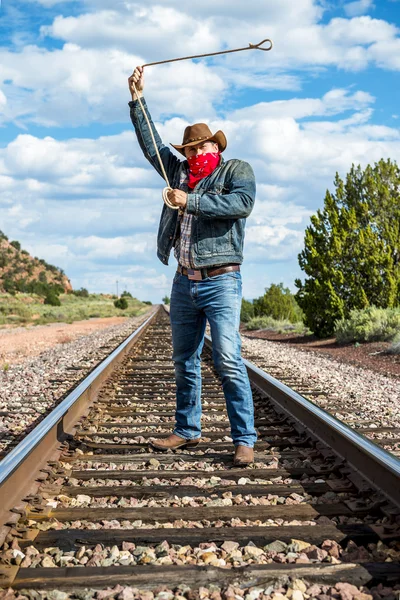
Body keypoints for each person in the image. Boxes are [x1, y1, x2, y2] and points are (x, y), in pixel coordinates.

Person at [128, 66, 257, 465]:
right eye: (190, 149)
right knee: (184, 359)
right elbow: (152, 147)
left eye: (202, 147)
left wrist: (191, 202)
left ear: (214, 148)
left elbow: (242, 205)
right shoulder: (177, 172)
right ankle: (187, 430)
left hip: (221, 281)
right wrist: (137, 100)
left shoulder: (235, 170)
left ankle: (244, 438)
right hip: (184, 281)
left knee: (227, 359)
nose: (196, 154)